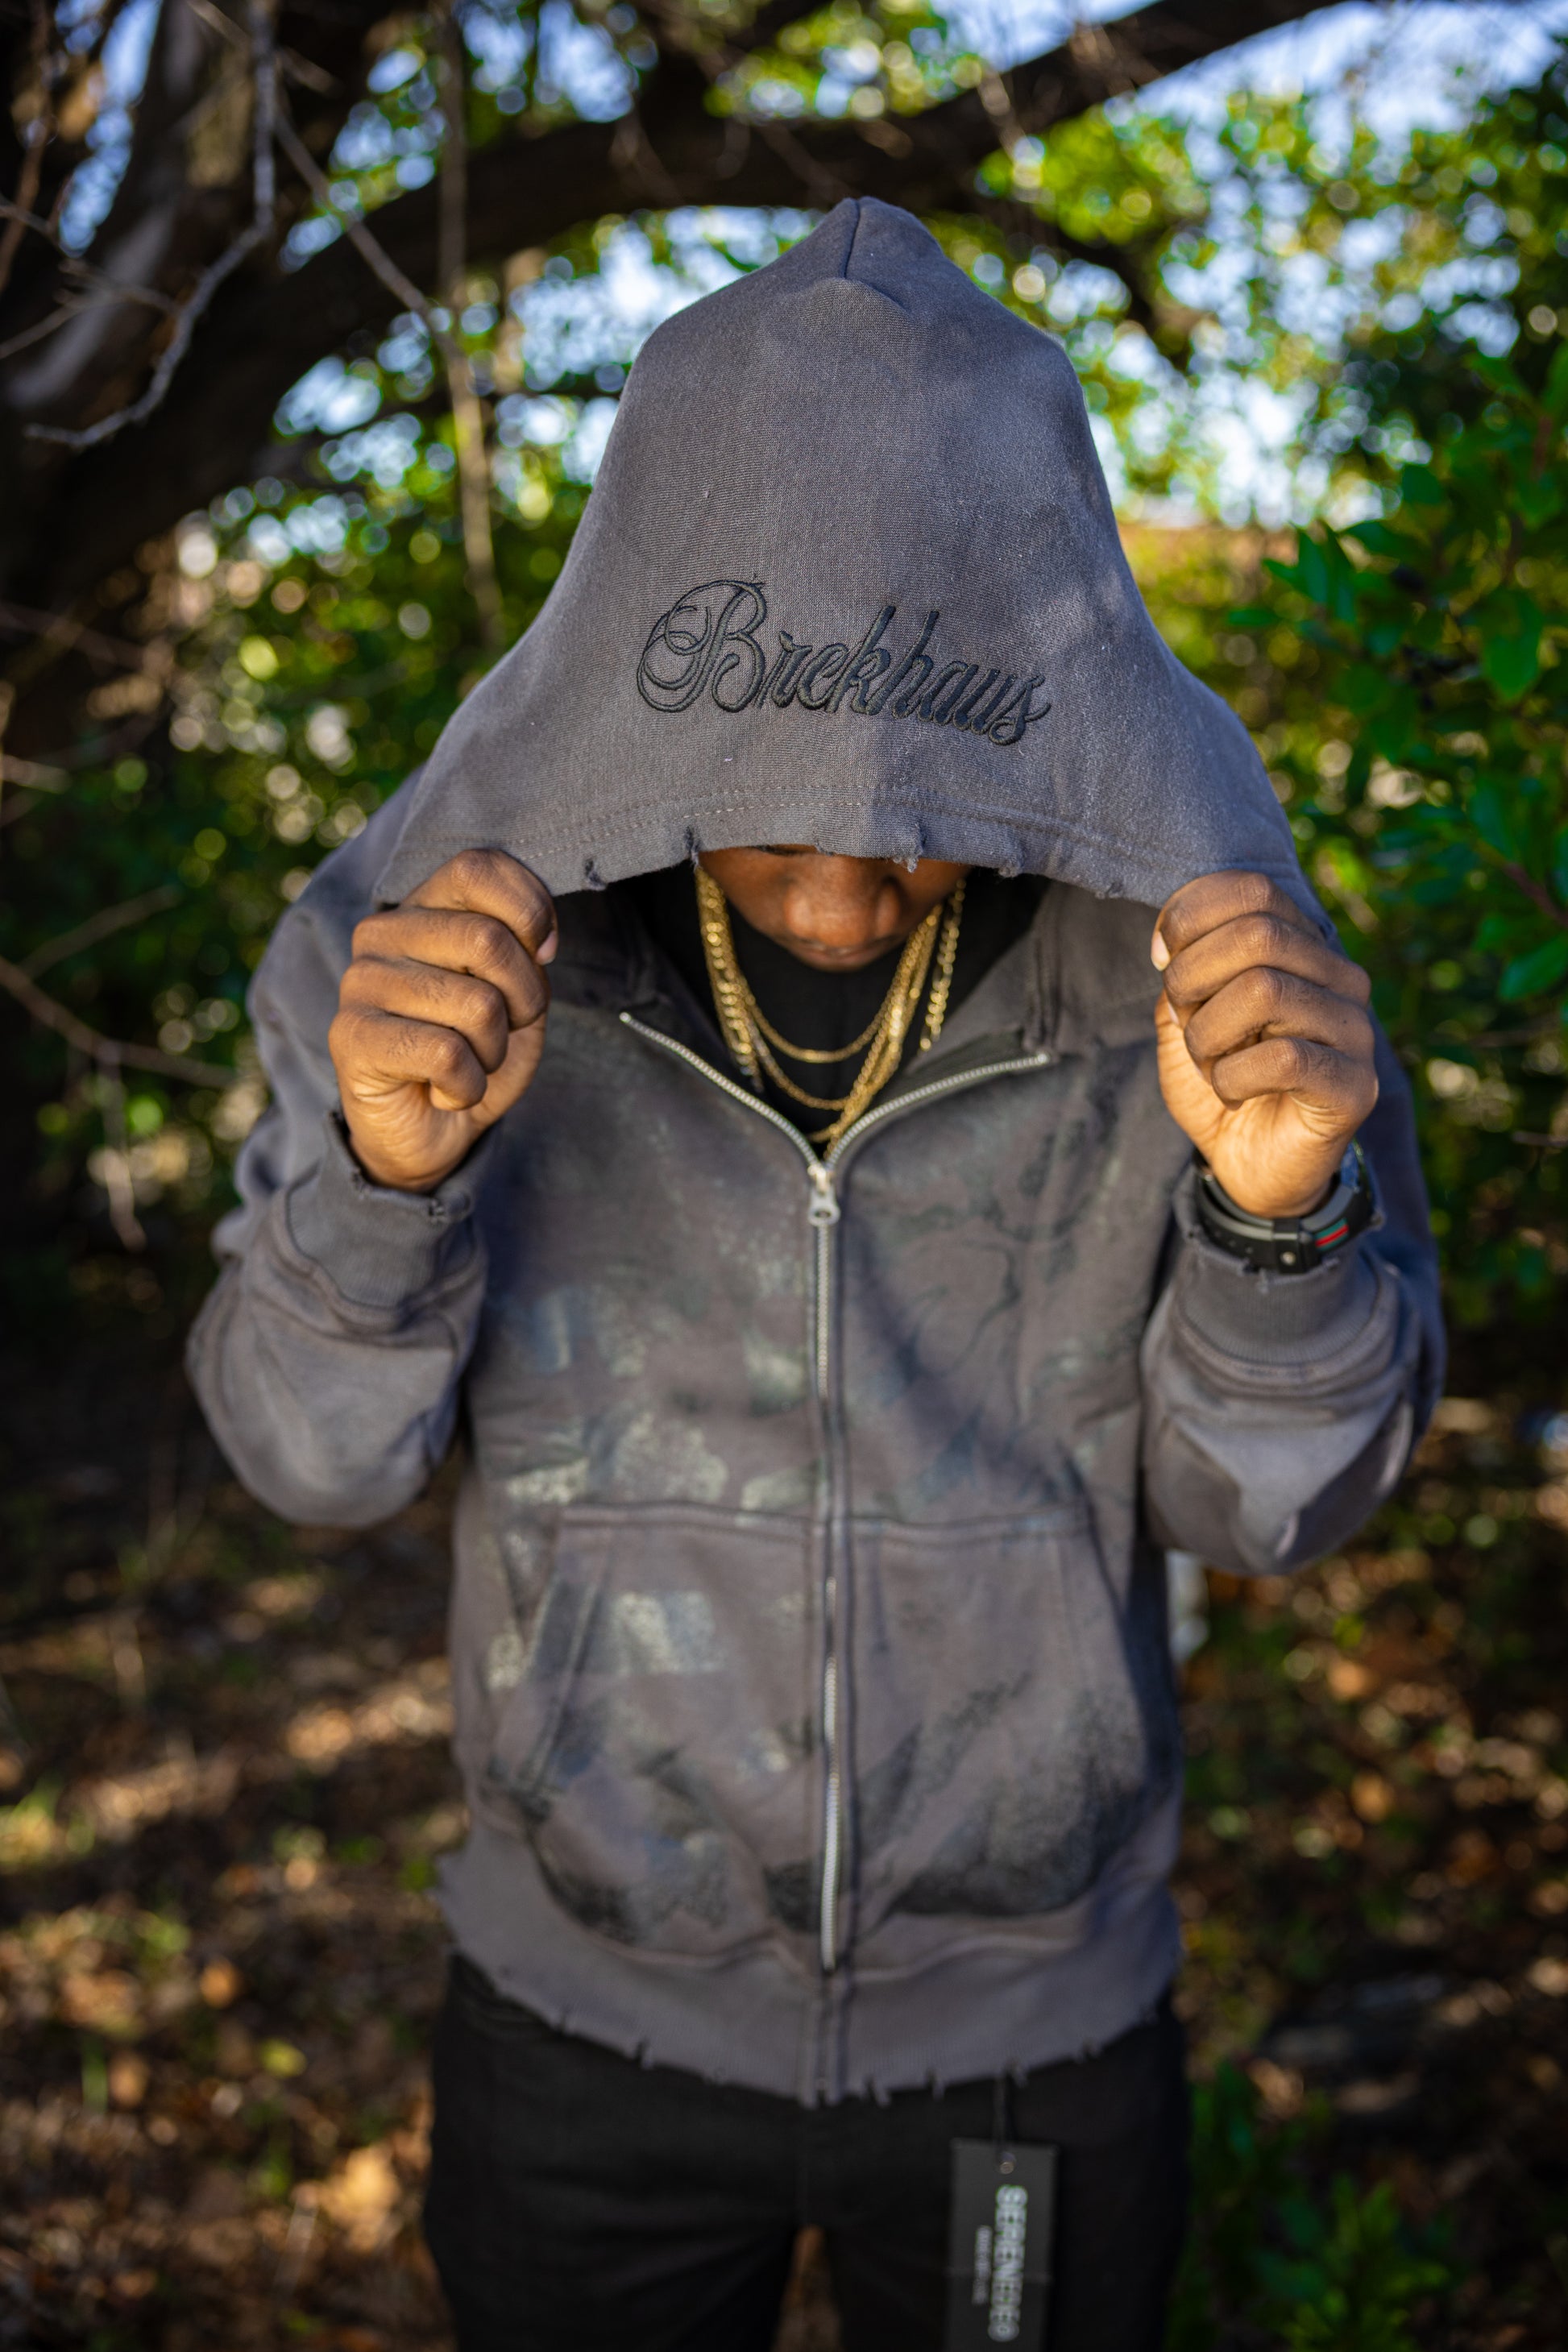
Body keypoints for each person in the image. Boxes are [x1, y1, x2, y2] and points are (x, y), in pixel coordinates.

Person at [189, 200, 1441, 2352]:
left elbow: (1274, 1508)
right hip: (581, 2034)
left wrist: (1274, 1217)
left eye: (923, 801)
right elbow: (310, 1461)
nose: (848, 897)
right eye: (765, 805)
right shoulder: (409, 958)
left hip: (1029, 2042)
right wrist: (388, 1177)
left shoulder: (1203, 978)